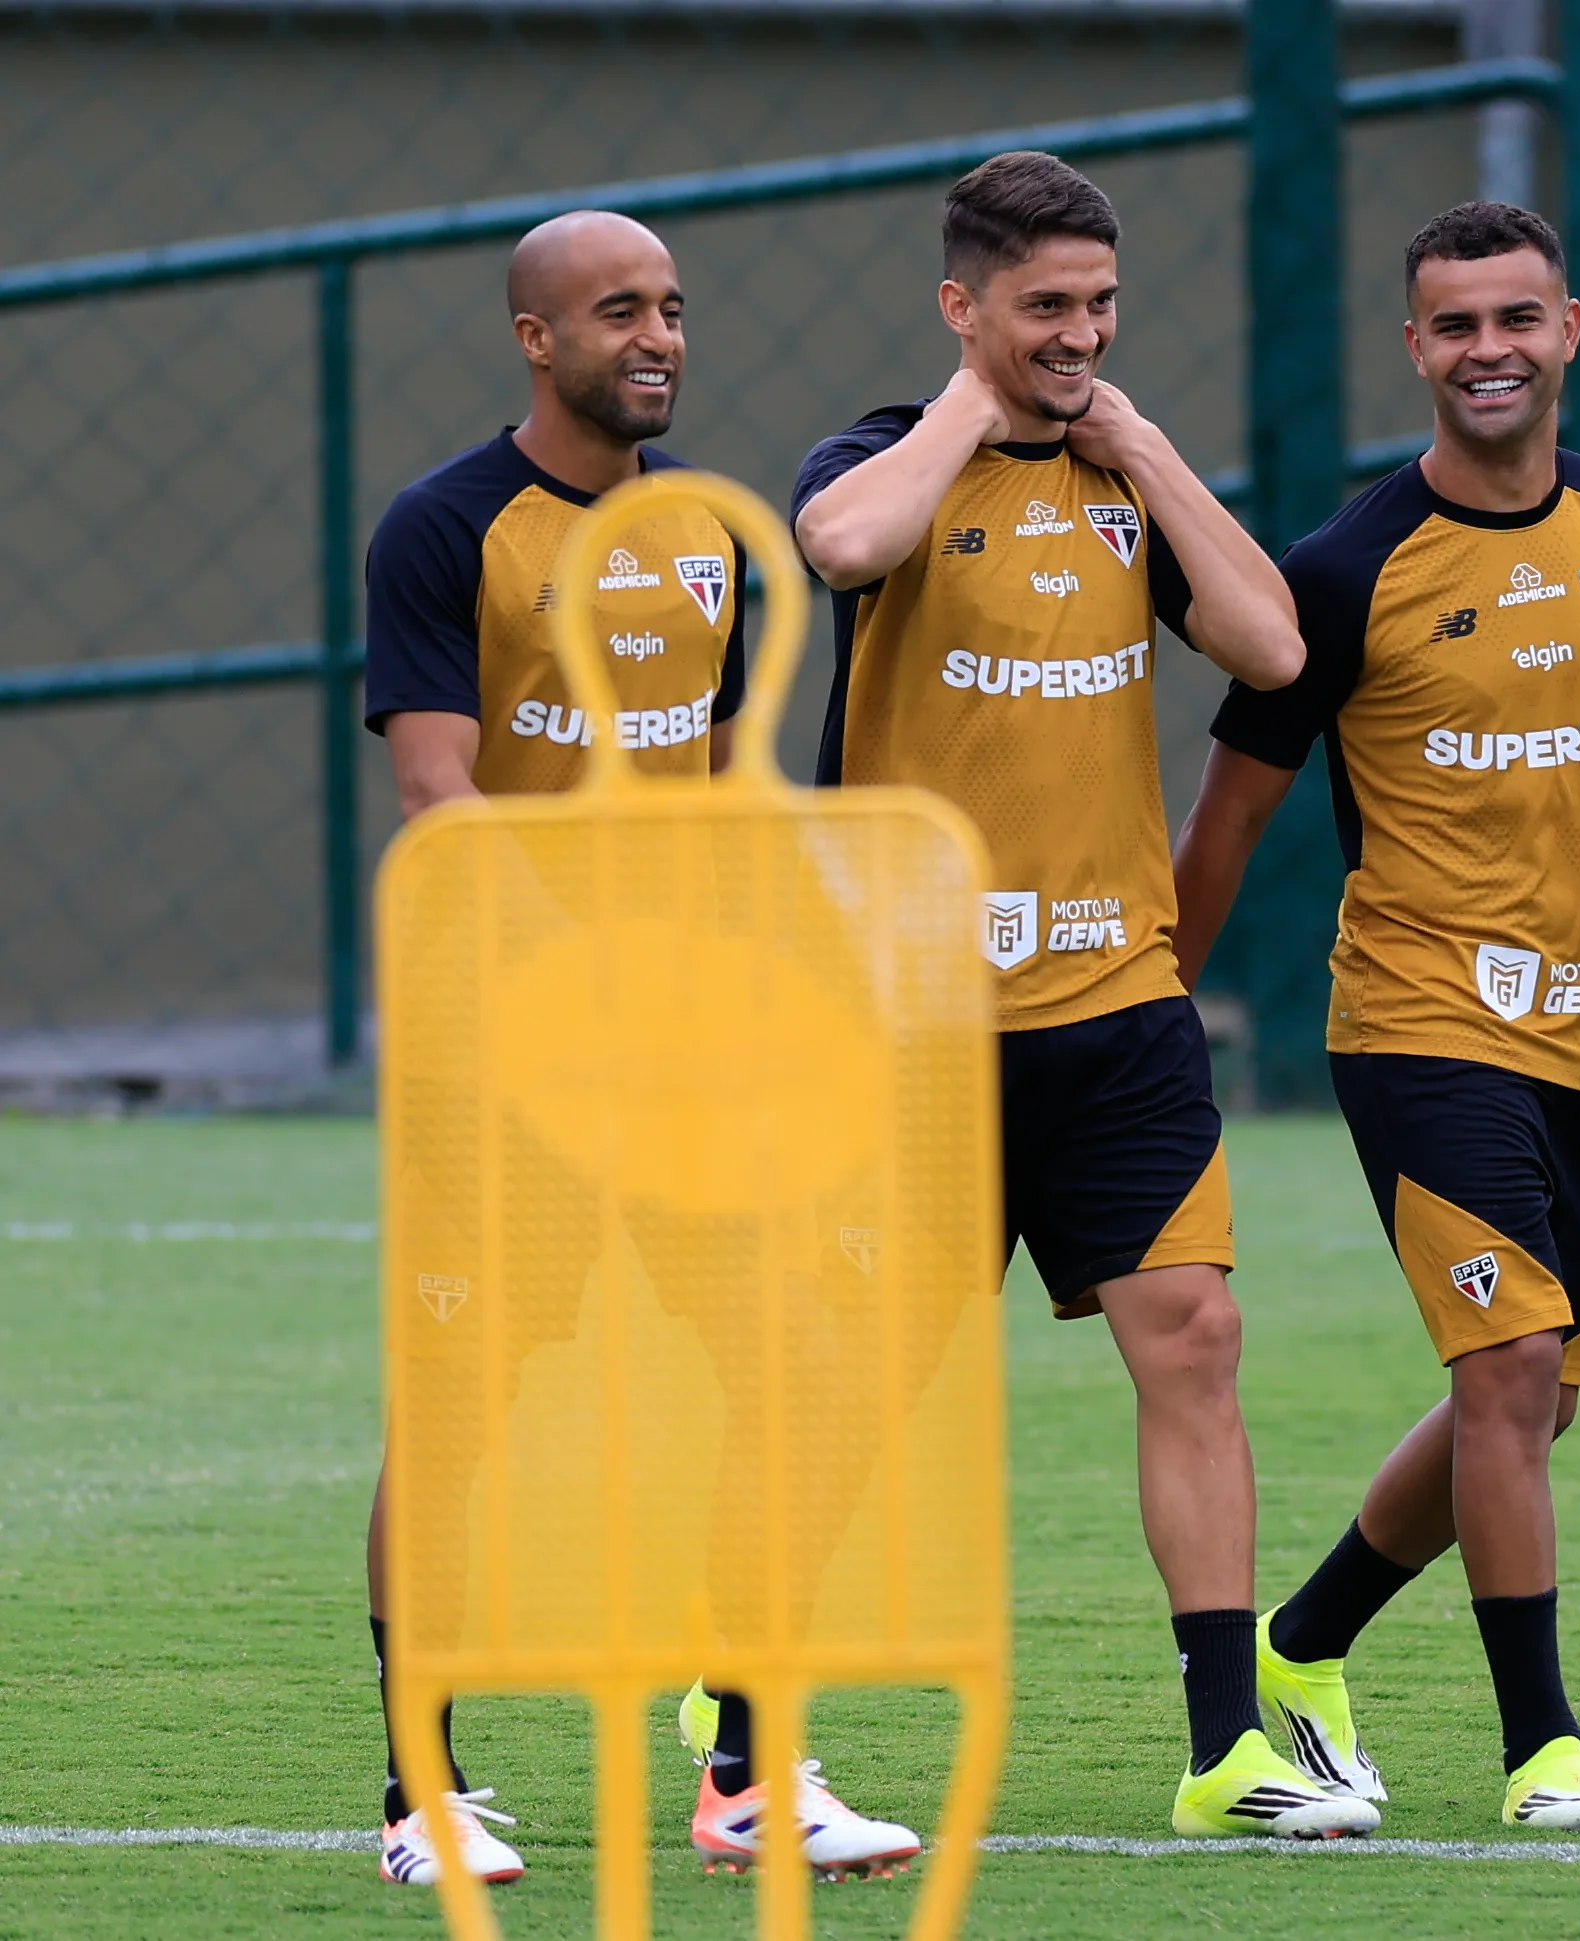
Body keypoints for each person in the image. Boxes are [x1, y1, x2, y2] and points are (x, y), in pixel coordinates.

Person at [781, 150, 1374, 1840]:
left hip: (1113, 1005)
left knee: (1193, 1340)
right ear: (961, 304)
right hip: (910, 1022)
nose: (1079, 334)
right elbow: (841, 543)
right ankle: (750, 1706)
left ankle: (1224, 1751)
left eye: (1100, 305)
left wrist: (1149, 451)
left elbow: (1270, 651)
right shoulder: (886, 455)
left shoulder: (1130, 479)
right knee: (867, 1383)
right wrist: (980, 410)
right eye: (1043, 306)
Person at [1170, 201, 1580, 1828]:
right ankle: (1542, 1750)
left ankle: (1304, 1647)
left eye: (1516, 319)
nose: (1488, 350)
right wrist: (1162, 999)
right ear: (1413, 349)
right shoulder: (1345, 569)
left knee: (1535, 1400)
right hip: (1417, 1020)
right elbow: (1226, 821)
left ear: (1569, 329)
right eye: (1454, 326)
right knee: (1510, 1370)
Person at [362, 211, 919, 1886]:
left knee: (801, 1368)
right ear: (537, 338)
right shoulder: (444, 528)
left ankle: (750, 1770)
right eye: (620, 312)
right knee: (464, 1411)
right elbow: (441, 799)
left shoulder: (704, 537)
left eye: (672, 307)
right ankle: (421, 1796)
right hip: (508, 1049)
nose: (658, 336)